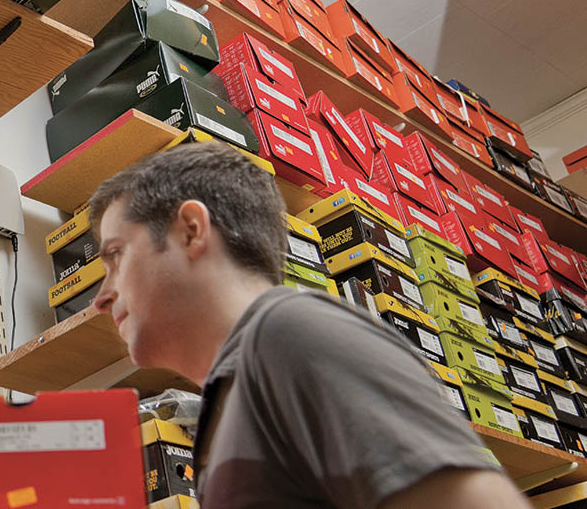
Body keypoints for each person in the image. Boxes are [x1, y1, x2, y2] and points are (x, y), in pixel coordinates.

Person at [87, 141, 531, 509]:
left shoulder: (290, 333)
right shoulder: (235, 397)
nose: (101, 298)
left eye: (116, 255)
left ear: (190, 230)